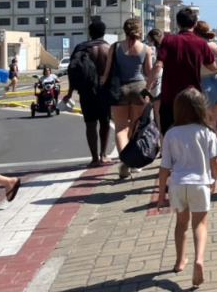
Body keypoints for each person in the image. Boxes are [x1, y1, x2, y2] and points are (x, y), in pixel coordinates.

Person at [156, 89, 217, 287]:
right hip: (200, 184)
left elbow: (164, 167)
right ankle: (199, 259)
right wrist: (213, 180)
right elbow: (215, 161)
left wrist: (161, 195)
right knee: (199, 225)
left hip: (177, 184)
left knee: (181, 224)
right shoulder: (207, 132)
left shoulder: (171, 133)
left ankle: (179, 261)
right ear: (202, 108)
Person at [148, 7, 217, 135]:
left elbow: (158, 65)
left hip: (170, 97)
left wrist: (147, 89)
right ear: (195, 24)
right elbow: (213, 67)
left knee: (169, 133)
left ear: (178, 23)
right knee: (193, 134)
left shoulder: (168, 40)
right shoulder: (201, 43)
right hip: (192, 97)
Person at [103, 18, 154, 179]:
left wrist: (103, 89)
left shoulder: (115, 47)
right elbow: (148, 72)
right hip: (139, 88)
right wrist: (149, 90)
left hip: (119, 90)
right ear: (139, 31)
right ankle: (136, 163)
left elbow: (107, 72)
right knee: (137, 126)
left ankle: (124, 160)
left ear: (124, 30)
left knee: (120, 129)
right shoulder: (146, 48)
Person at [63, 19, 112, 167]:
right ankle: (104, 155)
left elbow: (73, 72)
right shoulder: (109, 49)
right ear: (104, 33)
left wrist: (70, 93)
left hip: (86, 92)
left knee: (90, 125)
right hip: (105, 91)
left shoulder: (80, 48)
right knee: (105, 123)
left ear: (90, 33)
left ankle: (94, 158)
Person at [192, 21, 217, 131]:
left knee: (202, 122)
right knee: (213, 123)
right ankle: (213, 146)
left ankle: (205, 147)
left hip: (205, 84)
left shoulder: (200, 46)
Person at [145, 28, 164, 132]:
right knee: (158, 114)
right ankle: (160, 139)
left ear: (148, 37)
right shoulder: (162, 49)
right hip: (159, 82)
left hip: (146, 81)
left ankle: (148, 139)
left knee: (145, 114)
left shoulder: (145, 48)